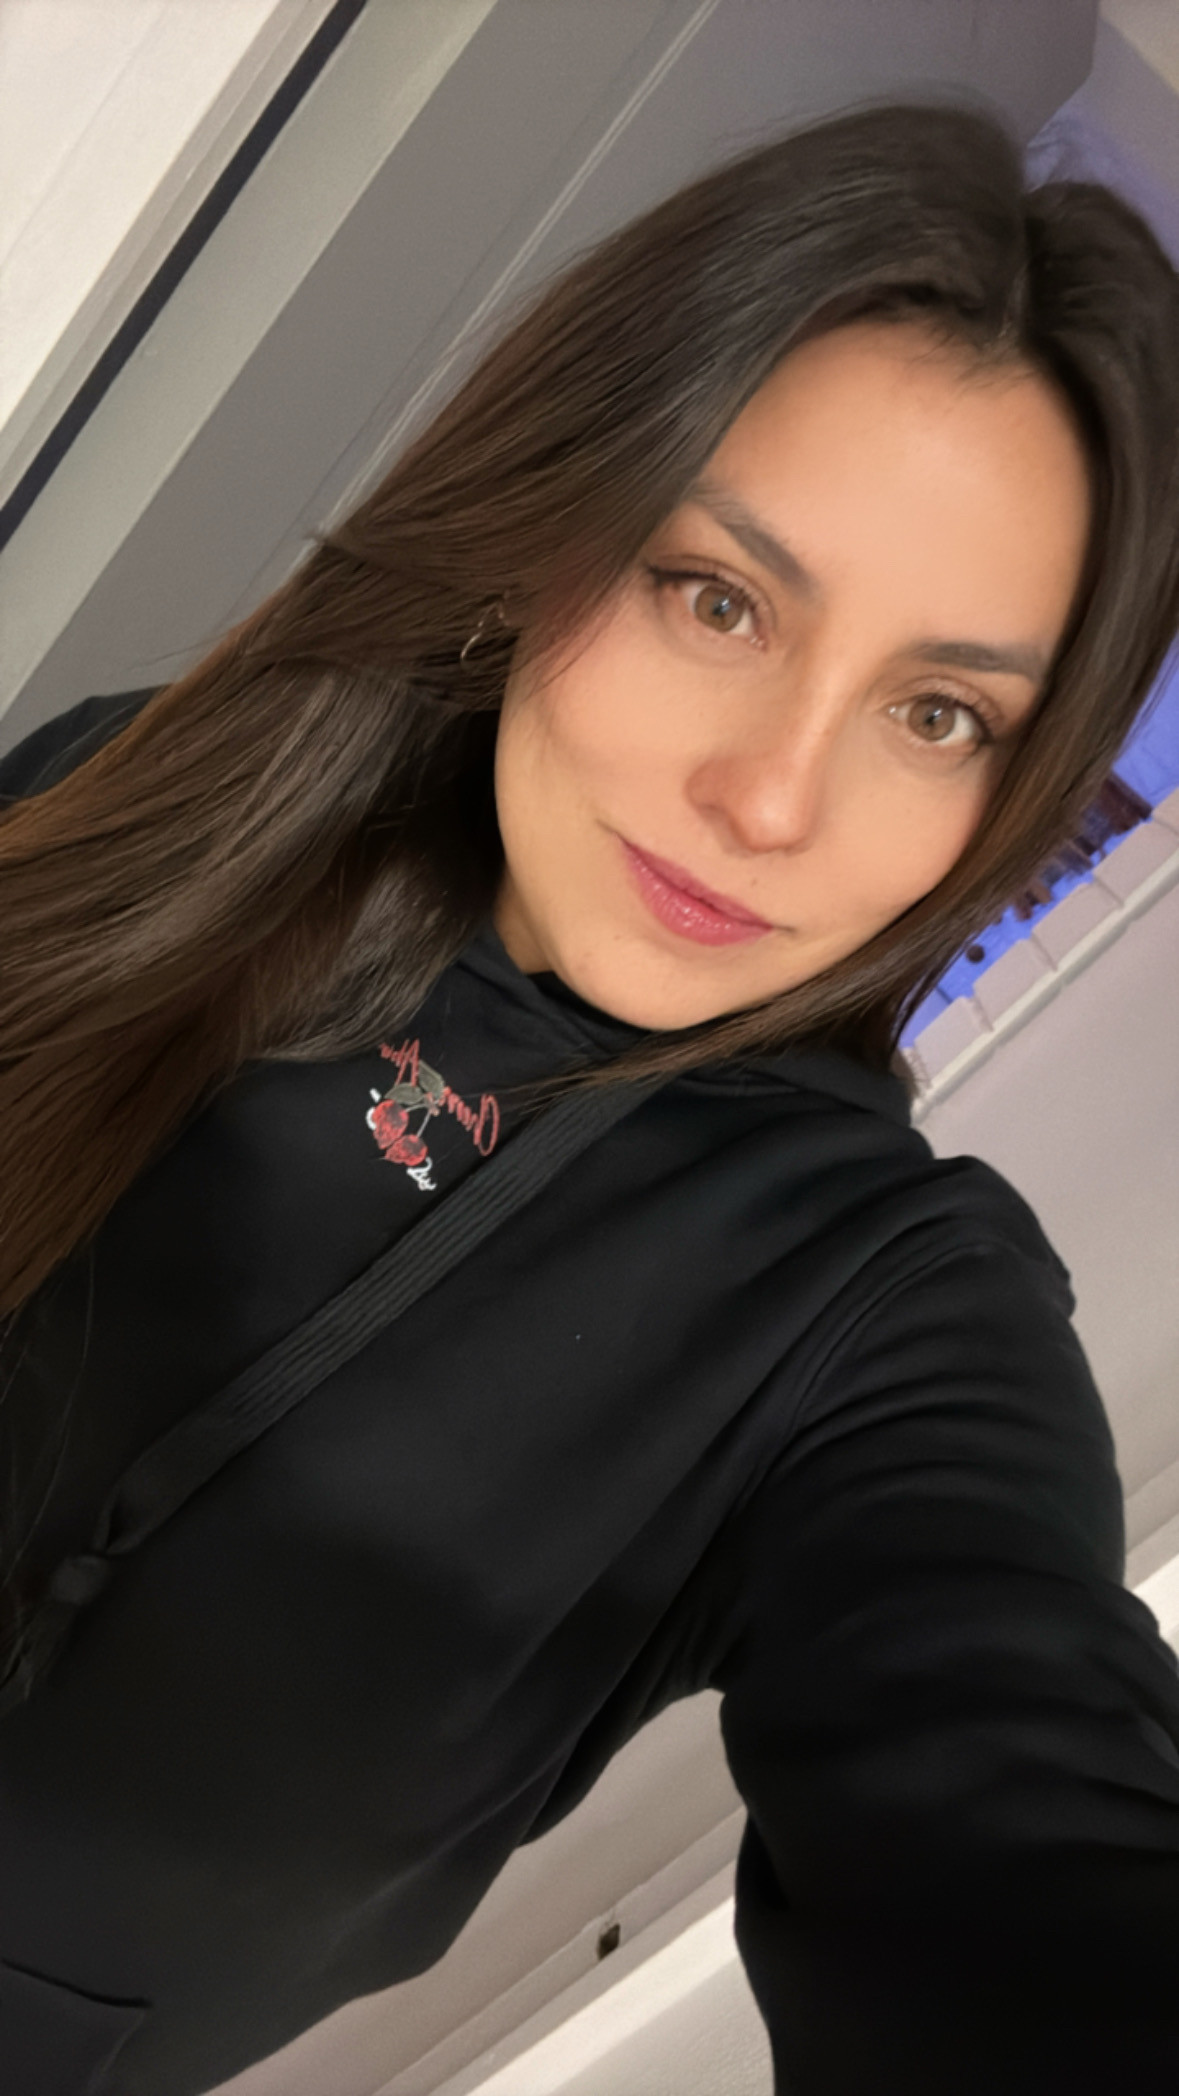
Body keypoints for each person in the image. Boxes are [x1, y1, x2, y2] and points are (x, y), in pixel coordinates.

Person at [1, 98, 1178, 2096]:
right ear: (552, 524)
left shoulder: (873, 1312)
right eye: (717, 596)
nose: (770, 800)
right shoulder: (149, 799)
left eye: (935, 714)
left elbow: (1012, 1819)